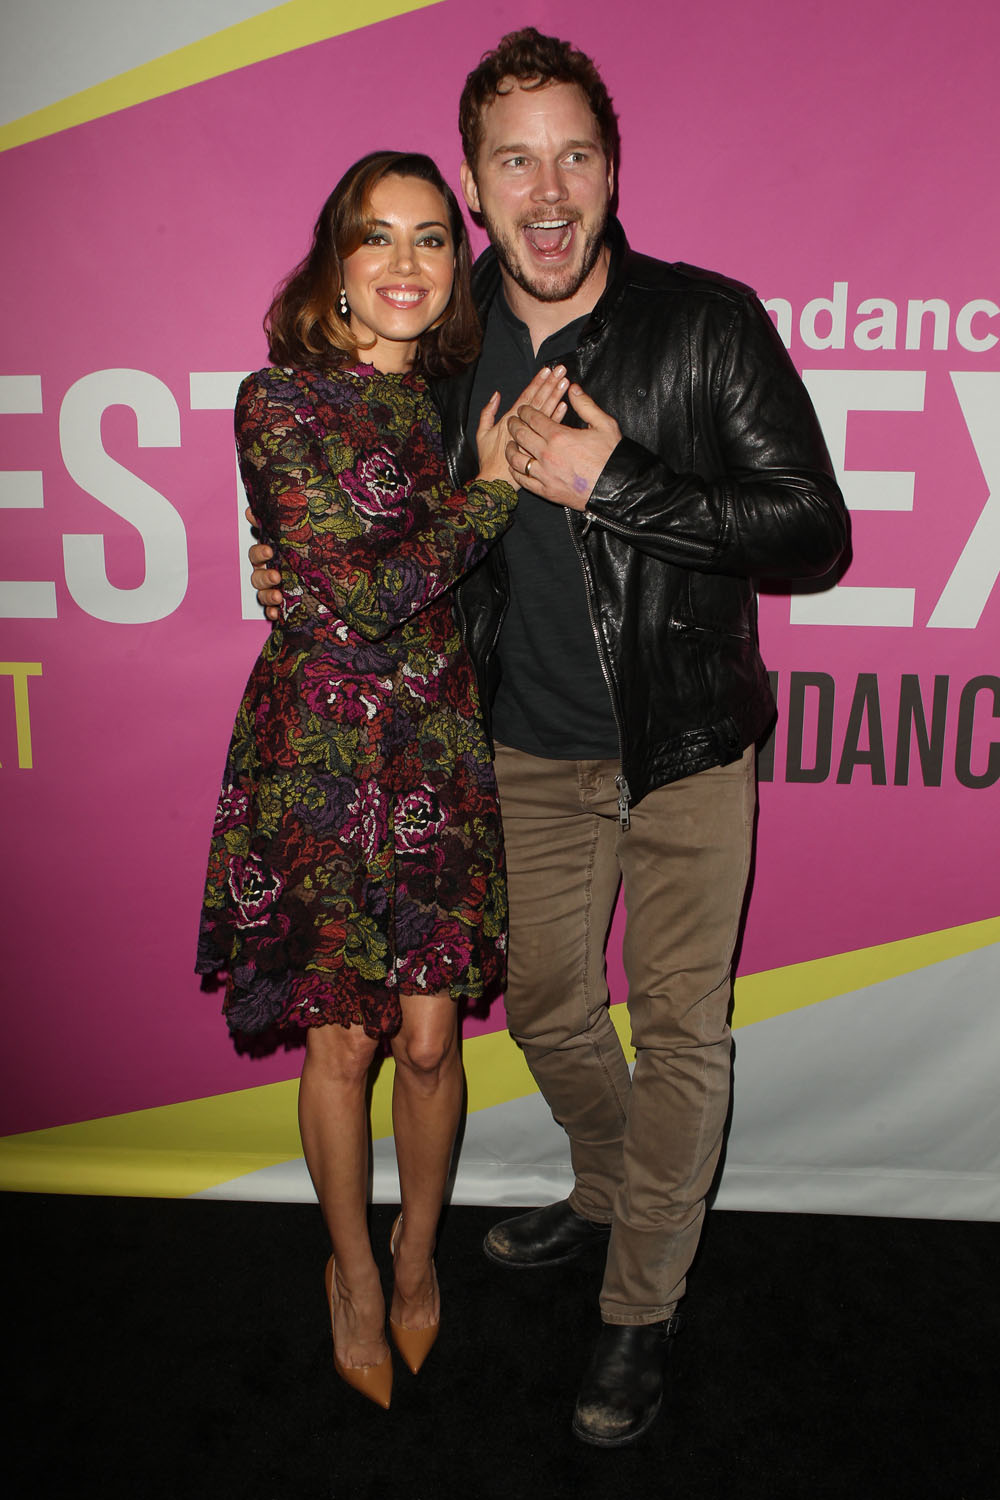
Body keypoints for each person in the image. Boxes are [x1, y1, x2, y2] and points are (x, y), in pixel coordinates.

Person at [250, 31, 849, 1446]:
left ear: (611, 168)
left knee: (683, 1028)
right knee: (555, 1013)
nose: (548, 188)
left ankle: (640, 1302)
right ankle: (619, 1193)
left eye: (573, 153)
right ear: (474, 187)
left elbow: (811, 530)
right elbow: (374, 523)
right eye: (514, 161)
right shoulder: (438, 346)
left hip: (687, 737)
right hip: (514, 742)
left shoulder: (704, 322)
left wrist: (617, 478)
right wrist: (290, 568)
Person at [198, 149, 568, 1412]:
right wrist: (491, 492)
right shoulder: (279, 399)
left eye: (430, 238)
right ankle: (353, 1272)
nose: (406, 263)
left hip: (437, 743)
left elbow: (453, 579)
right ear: (338, 263)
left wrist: (494, 480)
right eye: (377, 236)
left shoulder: (453, 403)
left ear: (453, 264)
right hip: (317, 753)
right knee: (344, 1040)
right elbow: (360, 593)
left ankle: (419, 1254)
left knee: (428, 1039)